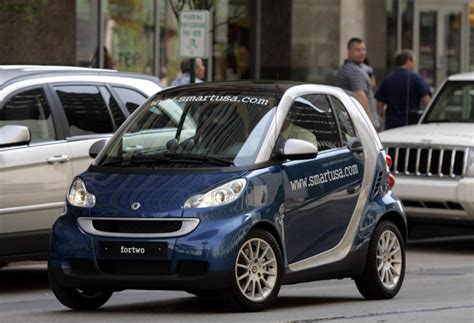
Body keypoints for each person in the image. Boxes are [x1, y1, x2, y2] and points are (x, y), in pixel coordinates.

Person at [375, 50, 431, 130]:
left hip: (392, 126)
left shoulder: (387, 80)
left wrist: (379, 123)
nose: (415, 65)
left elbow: (379, 105)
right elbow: (427, 101)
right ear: (408, 60)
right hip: (412, 125)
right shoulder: (417, 79)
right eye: (414, 61)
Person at [336, 38, 381, 131]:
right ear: (349, 51)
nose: (362, 53)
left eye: (363, 49)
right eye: (358, 50)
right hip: (360, 124)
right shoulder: (354, 71)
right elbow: (360, 95)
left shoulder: (349, 68)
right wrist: (370, 122)